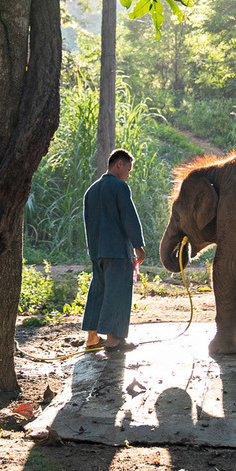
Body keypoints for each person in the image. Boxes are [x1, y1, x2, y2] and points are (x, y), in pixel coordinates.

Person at [82, 148, 147, 352]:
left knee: (98, 292)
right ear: (119, 164)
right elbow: (128, 217)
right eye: (128, 169)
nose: (128, 174)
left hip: (97, 251)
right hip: (118, 251)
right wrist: (138, 245)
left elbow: (89, 223)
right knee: (116, 293)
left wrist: (94, 251)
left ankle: (92, 338)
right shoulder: (119, 187)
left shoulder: (91, 190)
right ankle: (113, 341)